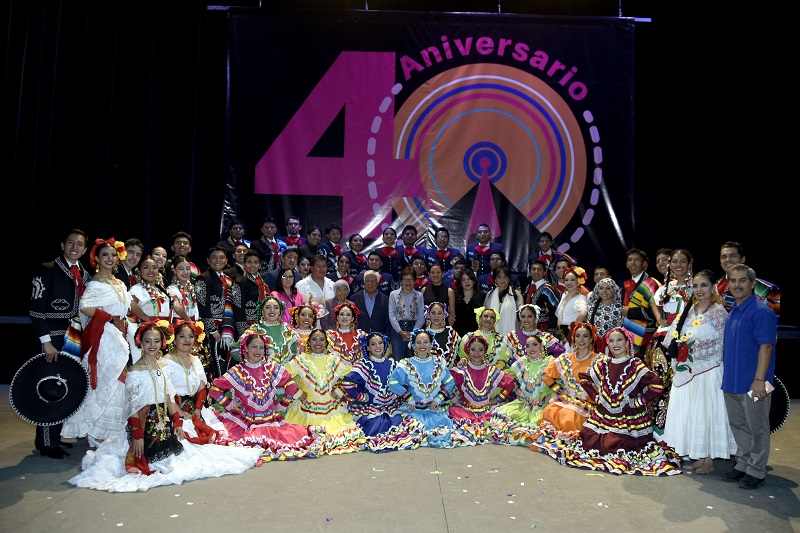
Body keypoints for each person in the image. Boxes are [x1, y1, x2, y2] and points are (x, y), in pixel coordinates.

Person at [68, 322, 262, 491]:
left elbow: (170, 399)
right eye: (147, 341)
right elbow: (133, 407)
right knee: (151, 458)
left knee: (186, 455)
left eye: (156, 341)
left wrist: (177, 422)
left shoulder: (162, 369)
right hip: (144, 423)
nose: (152, 345)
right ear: (140, 343)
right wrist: (137, 436)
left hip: (166, 420)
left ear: (162, 343)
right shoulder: (135, 371)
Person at [661, 270, 735, 475]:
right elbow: (671, 338)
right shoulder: (688, 311)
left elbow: (726, 345)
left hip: (709, 372)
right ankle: (700, 456)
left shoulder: (719, 313)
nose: (699, 290)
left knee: (706, 414)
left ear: (713, 288)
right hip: (687, 373)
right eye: (695, 286)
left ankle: (709, 459)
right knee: (693, 415)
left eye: (704, 285)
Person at [207, 331, 322, 462]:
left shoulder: (271, 368)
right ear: (245, 349)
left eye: (261, 347)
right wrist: (230, 404)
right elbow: (215, 389)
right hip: (245, 421)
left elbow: (291, 385)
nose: (258, 350)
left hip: (271, 420)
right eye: (254, 347)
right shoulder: (238, 371)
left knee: (288, 441)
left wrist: (282, 405)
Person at [61, 238, 131, 447]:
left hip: (119, 335)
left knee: (117, 383)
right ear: (96, 259)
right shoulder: (94, 283)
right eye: (105, 255)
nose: (109, 258)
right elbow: (84, 306)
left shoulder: (118, 282)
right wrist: (109, 318)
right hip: (104, 337)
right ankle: (96, 431)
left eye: (112, 255)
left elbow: (125, 308)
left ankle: (111, 429)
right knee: (104, 380)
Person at [29, 228, 90, 458]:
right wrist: (46, 342)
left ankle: (53, 438)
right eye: (71, 242)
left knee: (65, 388)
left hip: (75, 339)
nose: (75, 247)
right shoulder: (48, 270)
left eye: (80, 244)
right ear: (62, 245)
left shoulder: (84, 273)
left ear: (84, 249)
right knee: (49, 390)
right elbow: (36, 311)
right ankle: (46, 444)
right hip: (53, 339)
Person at [720, 264, 778, 489]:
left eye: (742, 280)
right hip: (732, 382)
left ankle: (757, 470)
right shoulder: (733, 311)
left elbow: (766, 347)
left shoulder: (763, 312)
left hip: (755, 383)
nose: (737, 285)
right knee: (739, 426)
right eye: (733, 280)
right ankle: (742, 464)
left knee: (757, 427)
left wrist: (759, 381)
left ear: (753, 284)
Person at [284, 328, 365, 455]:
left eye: (322, 340)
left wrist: (339, 391)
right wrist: (298, 393)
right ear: (308, 342)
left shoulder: (333, 360)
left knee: (339, 435)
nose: (318, 342)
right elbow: (281, 376)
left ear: (326, 343)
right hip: (306, 411)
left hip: (330, 409)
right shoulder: (301, 360)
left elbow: (354, 375)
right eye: (314, 339)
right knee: (300, 437)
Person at [341, 332, 425, 452]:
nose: (377, 347)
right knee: (376, 424)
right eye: (373, 344)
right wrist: (361, 397)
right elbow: (347, 382)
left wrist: (401, 396)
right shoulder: (363, 365)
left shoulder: (392, 364)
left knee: (400, 423)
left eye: (380, 343)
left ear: (385, 345)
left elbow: (404, 382)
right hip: (370, 407)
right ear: (368, 348)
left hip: (390, 407)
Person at [387, 329, 464, 448]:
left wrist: (439, 398)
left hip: (434, 411)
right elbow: (393, 382)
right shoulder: (406, 364)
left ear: (431, 343)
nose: (422, 346)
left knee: (444, 432)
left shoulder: (438, 362)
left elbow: (450, 382)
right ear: (413, 344)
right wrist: (408, 397)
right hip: (413, 411)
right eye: (418, 342)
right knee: (411, 433)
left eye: (425, 342)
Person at [648, 248, 693, 439]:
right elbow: (653, 301)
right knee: (661, 383)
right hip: (663, 341)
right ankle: (660, 430)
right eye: (675, 261)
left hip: (687, 340)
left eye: (683, 261)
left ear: (690, 263)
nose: (678, 265)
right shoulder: (666, 287)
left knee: (682, 383)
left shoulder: (696, 286)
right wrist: (660, 318)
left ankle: (683, 433)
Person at [536, 322, 601, 439]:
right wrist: (561, 391)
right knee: (549, 411)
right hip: (568, 400)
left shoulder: (599, 360)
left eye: (585, 336)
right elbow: (546, 375)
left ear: (592, 339)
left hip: (588, 404)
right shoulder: (566, 358)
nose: (581, 340)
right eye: (578, 336)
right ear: (573, 338)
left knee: (570, 417)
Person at [490, 334, 555, 446]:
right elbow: (507, 376)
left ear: (541, 345)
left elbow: (560, 380)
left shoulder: (550, 362)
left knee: (536, 426)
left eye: (535, 344)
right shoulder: (522, 362)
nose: (531, 348)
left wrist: (552, 396)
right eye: (528, 346)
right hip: (523, 403)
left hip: (542, 405)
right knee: (500, 415)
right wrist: (489, 372)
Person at [448, 333, 515, 442]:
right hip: (465, 410)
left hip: (488, 410)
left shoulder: (492, 370)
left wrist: (497, 399)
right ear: (467, 351)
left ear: (485, 352)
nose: (477, 353)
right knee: (452, 411)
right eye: (473, 349)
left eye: (480, 350)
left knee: (503, 414)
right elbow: (445, 384)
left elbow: (510, 384)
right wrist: (454, 399)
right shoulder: (461, 370)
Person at [195, 246, 238, 379]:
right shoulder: (203, 278)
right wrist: (212, 330)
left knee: (228, 361)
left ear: (226, 261)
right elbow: (203, 306)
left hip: (227, 328)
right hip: (212, 330)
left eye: (221, 258)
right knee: (214, 363)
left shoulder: (229, 280)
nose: (217, 261)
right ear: (208, 261)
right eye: (214, 258)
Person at [127, 255, 172, 364]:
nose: (151, 271)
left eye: (154, 267)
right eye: (146, 267)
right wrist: (147, 319)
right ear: (139, 270)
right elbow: (130, 305)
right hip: (146, 333)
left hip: (163, 332)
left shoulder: (162, 289)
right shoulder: (136, 289)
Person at [717, 241, 781, 317]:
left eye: (733, 256)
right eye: (724, 257)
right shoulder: (716, 287)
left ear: (742, 259)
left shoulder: (768, 289)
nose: (728, 259)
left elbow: (772, 321)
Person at [496, 303, 565, 372]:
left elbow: (561, 355)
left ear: (535, 318)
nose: (526, 319)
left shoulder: (545, 337)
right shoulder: (512, 337)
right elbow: (502, 356)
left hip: (539, 379)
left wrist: (550, 369)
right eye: (523, 316)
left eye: (529, 316)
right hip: (518, 378)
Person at [621, 247, 661, 358]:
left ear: (644, 264)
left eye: (637, 260)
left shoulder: (651, 283)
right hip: (628, 334)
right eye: (630, 260)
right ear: (626, 264)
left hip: (646, 335)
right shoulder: (626, 284)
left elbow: (658, 312)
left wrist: (631, 312)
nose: (632, 262)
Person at [241, 295, 300, 364]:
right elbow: (237, 350)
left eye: (276, 308)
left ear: (280, 312)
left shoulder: (288, 331)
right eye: (268, 307)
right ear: (262, 311)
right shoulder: (255, 330)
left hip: (286, 373)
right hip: (262, 373)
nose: (272, 310)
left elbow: (294, 354)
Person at [388, 267, 426, 360]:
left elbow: (422, 316)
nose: (408, 282)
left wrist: (413, 333)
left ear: (415, 281)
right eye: (405, 279)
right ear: (401, 280)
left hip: (414, 329)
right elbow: (391, 315)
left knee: (414, 359)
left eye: (411, 279)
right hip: (398, 330)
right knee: (398, 360)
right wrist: (400, 332)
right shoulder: (393, 294)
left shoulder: (419, 295)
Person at [235, 249, 270, 337]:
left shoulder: (263, 283)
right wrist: (243, 331)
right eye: (249, 262)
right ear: (244, 264)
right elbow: (238, 308)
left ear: (260, 265)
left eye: (255, 262)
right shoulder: (240, 282)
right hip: (248, 326)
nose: (252, 265)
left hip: (263, 324)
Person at [483, 265, 524, 336]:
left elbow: (522, 315)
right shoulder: (490, 294)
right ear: (495, 280)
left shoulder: (516, 294)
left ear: (509, 279)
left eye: (505, 277)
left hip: (513, 335)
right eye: (499, 277)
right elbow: (484, 314)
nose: (502, 280)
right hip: (491, 333)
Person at [523, 259, 561, 336]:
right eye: (533, 269)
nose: (536, 272)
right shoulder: (527, 288)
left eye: (539, 269)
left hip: (545, 330)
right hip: (528, 329)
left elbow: (555, 311)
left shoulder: (549, 289)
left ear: (544, 272)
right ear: (530, 272)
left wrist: (550, 332)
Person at [585, 276, 623, 353]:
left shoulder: (620, 308)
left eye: (608, 288)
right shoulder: (591, 306)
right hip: (594, 345)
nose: (604, 291)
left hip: (613, 346)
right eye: (601, 288)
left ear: (613, 290)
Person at [554, 266, 589, 346]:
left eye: (572, 280)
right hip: (561, 333)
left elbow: (583, 313)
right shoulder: (564, 295)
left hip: (570, 333)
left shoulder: (580, 298)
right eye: (566, 280)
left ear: (578, 282)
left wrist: (574, 328)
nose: (569, 282)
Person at [350, 270, 392, 336]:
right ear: (364, 282)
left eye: (373, 281)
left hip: (379, 337)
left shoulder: (385, 299)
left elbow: (387, 321)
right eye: (367, 281)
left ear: (378, 283)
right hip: (359, 336)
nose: (370, 283)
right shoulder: (354, 298)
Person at [425, 302, 460, 367]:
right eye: (433, 313)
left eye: (439, 313)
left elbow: (458, 357)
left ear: (444, 315)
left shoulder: (451, 333)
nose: (436, 316)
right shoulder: (422, 335)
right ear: (428, 315)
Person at [452, 267, 484, 337]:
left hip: (477, 333)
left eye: (469, 279)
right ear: (460, 282)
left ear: (474, 280)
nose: (466, 282)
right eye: (463, 280)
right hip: (458, 333)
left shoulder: (482, 295)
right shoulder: (454, 295)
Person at [167, 255, 200, 323]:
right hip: (179, 324)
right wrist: (189, 321)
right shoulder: (172, 289)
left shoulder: (192, 288)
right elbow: (177, 308)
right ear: (175, 270)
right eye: (181, 269)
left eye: (188, 268)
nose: (185, 272)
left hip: (194, 322)